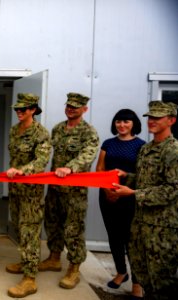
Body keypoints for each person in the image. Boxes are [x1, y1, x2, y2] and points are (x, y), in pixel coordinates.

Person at [112, 101, 178, 299]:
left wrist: (133, 193)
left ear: (171, 120)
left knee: (161, 280)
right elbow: (145, 180)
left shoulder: (173, 151)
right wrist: (126, 176)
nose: (152, 121)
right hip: (140, 223)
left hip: (162, 228)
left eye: (158, 118)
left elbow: (172, 189)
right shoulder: (147, 148)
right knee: (143, 273)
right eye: (150, 117)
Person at [39, 92, 99, 289]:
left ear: (84, 109)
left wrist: (71, 167)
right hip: (55, 188)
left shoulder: (88, 132)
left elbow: (88, 155)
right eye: (68, 105)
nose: (70, 109)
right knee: (53, 223)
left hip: (75, 191)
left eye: (75, 106)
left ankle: (74, 267)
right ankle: (54, 258)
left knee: (73, 229)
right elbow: (47, 151)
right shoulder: (58, 129)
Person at [4, 94, 51, 298]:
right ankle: (25, 263)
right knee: (18, 228)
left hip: (31, 190)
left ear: (33, 110)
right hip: (15, 190)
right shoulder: (15, 130)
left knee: (29, 231)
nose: (19, 112)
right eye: (17, 109)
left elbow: (41, 161)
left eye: (24, 109)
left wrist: (23, 170)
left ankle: (30, 278)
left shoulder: (41, 133)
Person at [95, 109, 145, 297]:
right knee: (114, 237)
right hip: (107, 196)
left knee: (132, 241)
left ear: (133, 124)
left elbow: (143, 175)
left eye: (126, 122)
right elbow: (100, 168)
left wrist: (123, 191)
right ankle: (121, 272)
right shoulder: (108, 143)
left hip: (129, 198)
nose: (121, 125)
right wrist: (107, 190)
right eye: (118, 121)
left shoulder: (142, 146)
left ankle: (137, 282)